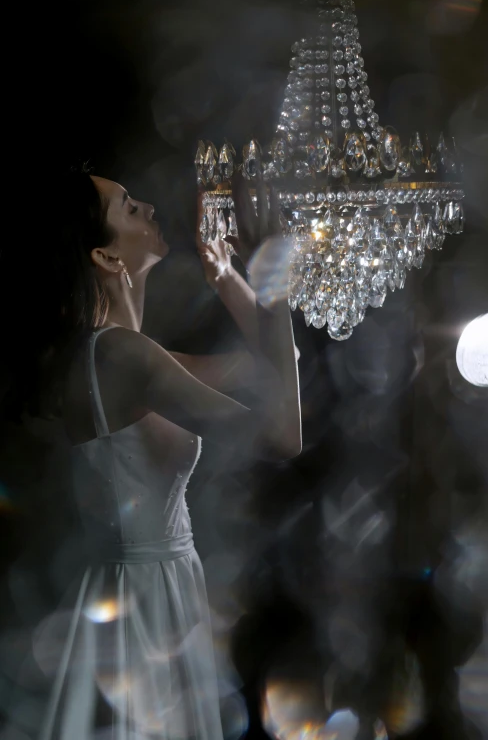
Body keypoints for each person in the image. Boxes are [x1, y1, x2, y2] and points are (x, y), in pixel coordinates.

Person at [0, 166, 301, 739]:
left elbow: (270, 376)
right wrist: (274, 271)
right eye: (129, 208)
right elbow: (284, 434)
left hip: (153, 589)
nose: (150, 209)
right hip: (142, 605)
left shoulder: (118, 354)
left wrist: (229, 281)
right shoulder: (121, 358)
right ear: (107, 258)